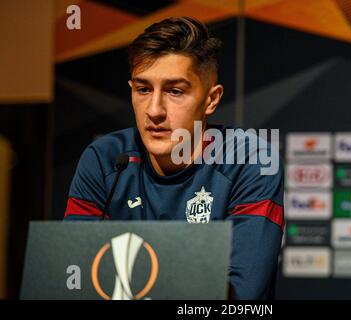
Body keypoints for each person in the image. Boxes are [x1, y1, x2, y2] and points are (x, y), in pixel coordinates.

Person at [64, 16, 284, 299]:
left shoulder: (251, 162)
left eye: (175, 91)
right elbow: (71, 279)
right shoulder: (104, 159)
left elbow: (240, 296)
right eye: (143, 89)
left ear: (211, 100)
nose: (154, 110)